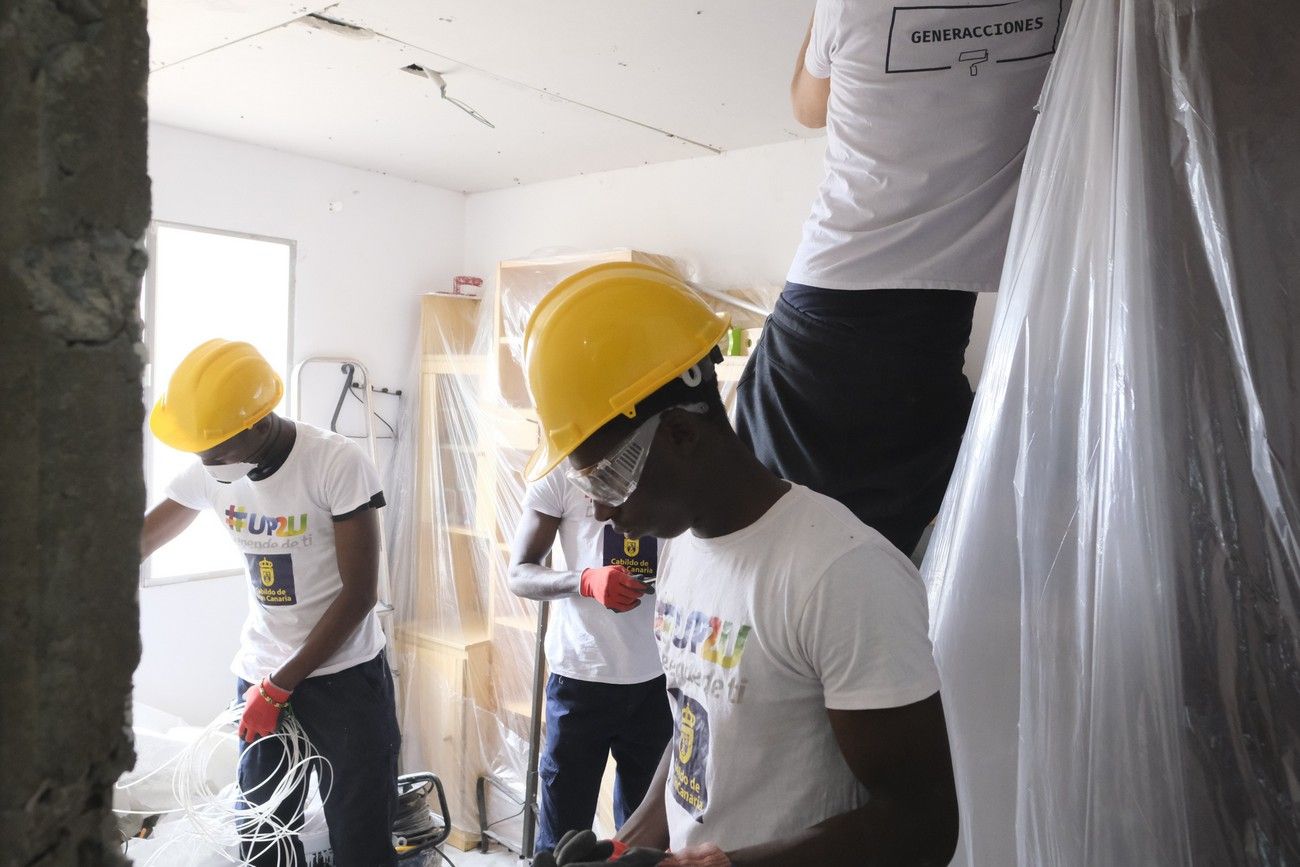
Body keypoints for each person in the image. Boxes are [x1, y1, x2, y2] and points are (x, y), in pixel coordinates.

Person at [523, 263, 957, 867]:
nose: (597, 508)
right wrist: (627, 847)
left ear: (680, 434)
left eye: (610, 476)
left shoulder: (841, 573)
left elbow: (922, 826)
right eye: (584, 480)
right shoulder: (679, 552)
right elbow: (694, 734)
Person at [735, 0, 1063, 555]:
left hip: (832, 318)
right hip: (920, 333)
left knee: (791, 559)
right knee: (863, 564)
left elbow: (807, 108)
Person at [140, 339, 400, 867]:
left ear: (258, 425)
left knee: (361, 840)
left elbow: (359, 595)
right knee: (263, 837)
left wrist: (281, 686)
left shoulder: (334, 463)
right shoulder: (211, 469)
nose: (207, 466)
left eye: (214, 455)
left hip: (343, 679)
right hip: (260, 673)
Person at [508, 464, 672, 851]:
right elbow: (519, 573)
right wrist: (582, 580)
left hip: (658, 678)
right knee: (564, 840)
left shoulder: (669, 465)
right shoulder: (559, 473)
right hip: (579, 680)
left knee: (644, 839)